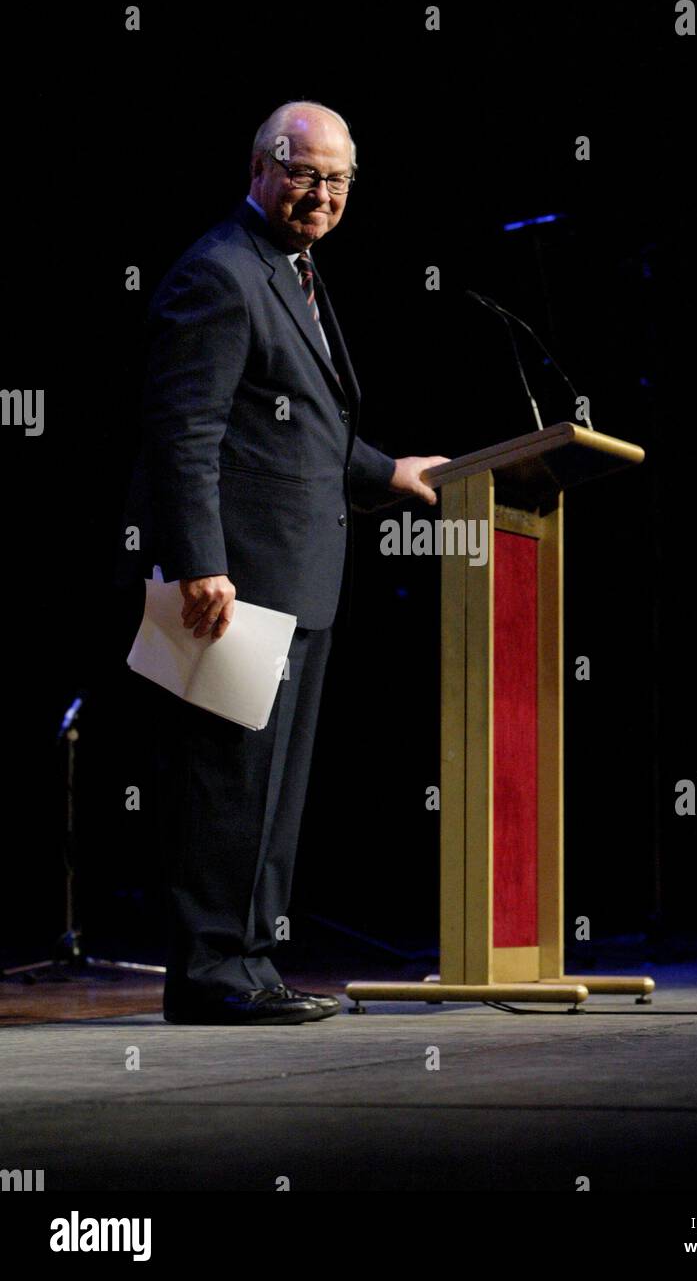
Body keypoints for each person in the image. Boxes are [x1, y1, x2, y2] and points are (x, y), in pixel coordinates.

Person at [115, 100, 448, 1025]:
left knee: (272, 792)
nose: (323, 195)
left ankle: (250, 967)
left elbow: (303, 428)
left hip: (296, 578)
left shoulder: (291, 272)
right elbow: (183, 431)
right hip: (235, 583)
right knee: (226, 787)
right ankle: (213, 974)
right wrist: (199, 564)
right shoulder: (221, 273)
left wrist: (391, 472)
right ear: (262, 165)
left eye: (340, 180)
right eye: (306, 174)